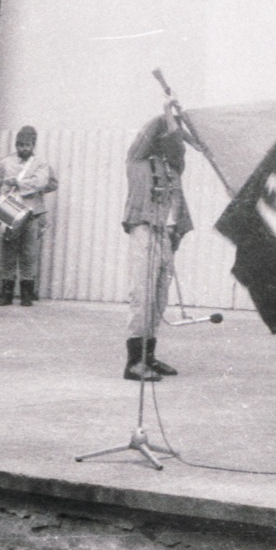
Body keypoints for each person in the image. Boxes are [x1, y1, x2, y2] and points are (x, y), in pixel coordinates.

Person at [120, 107, 194, 381]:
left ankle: (148, 356)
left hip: (166, 236)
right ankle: (134, 362)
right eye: (169, 138)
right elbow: (149, 134)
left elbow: (186, 147)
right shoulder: (138, 161)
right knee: (143, 294)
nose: (176, 147)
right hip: (145, 231)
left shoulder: (173, 169)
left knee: (159, 297)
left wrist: (180, 125)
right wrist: (167, 113)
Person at [0, 125, 58, 307]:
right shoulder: (6, 162)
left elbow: (44, 182)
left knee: (29, 253)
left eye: (27, 145)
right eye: (20, 145)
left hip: (31, 213)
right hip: (9, 211)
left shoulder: (40, 163)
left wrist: (19, 183)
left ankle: (27, 292)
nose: (23, 149)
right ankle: (6, 292)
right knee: (8, 252)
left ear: (33, 145)